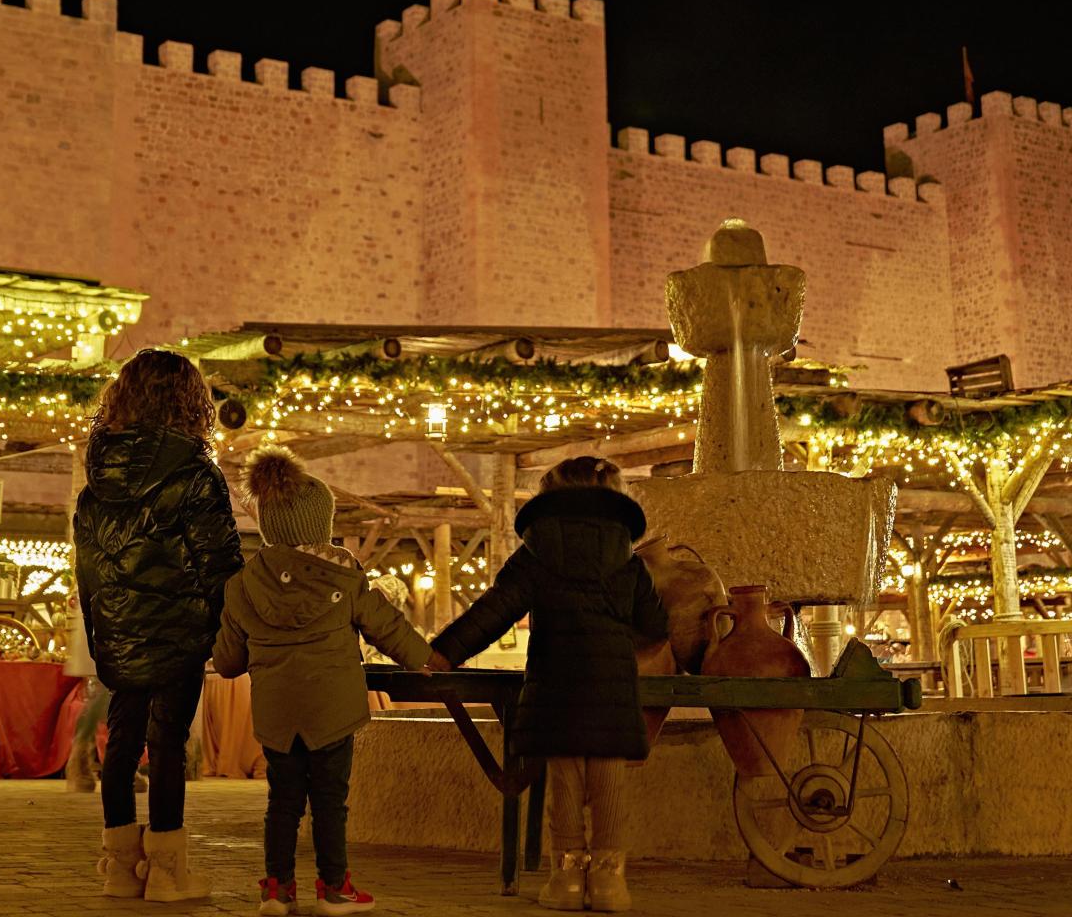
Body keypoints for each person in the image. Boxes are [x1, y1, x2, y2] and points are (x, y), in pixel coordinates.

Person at [212, 445, 444, 916]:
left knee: (283, 802)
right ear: (320, 523)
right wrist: (428, 660)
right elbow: (389, 627)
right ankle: (334, 889)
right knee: (330, 802)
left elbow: (229, 660)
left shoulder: (242, 584)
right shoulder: (346, 574)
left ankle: (276, 889)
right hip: (333, 710)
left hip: (277, 713)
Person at [432, 456, 668, 913]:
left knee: (565, 778)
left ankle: (567, 880)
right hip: (611, 685)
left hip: (557, 681)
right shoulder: (627, 558)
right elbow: (656, 625)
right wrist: (619, 641)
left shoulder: (537, 552)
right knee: (607, 779)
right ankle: (610, 884)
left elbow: (497, 609)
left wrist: (444, 652)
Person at [74, 349, 243, 902]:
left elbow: (88, 566)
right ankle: (168, 870)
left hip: (117, 628)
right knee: (168, 743)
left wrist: (103, 626)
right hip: (178, 630)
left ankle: (120, 866)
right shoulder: (195, 475)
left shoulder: (96, 478)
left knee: (122, 742)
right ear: (190, 403)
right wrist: (229, 629)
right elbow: (219, 562)